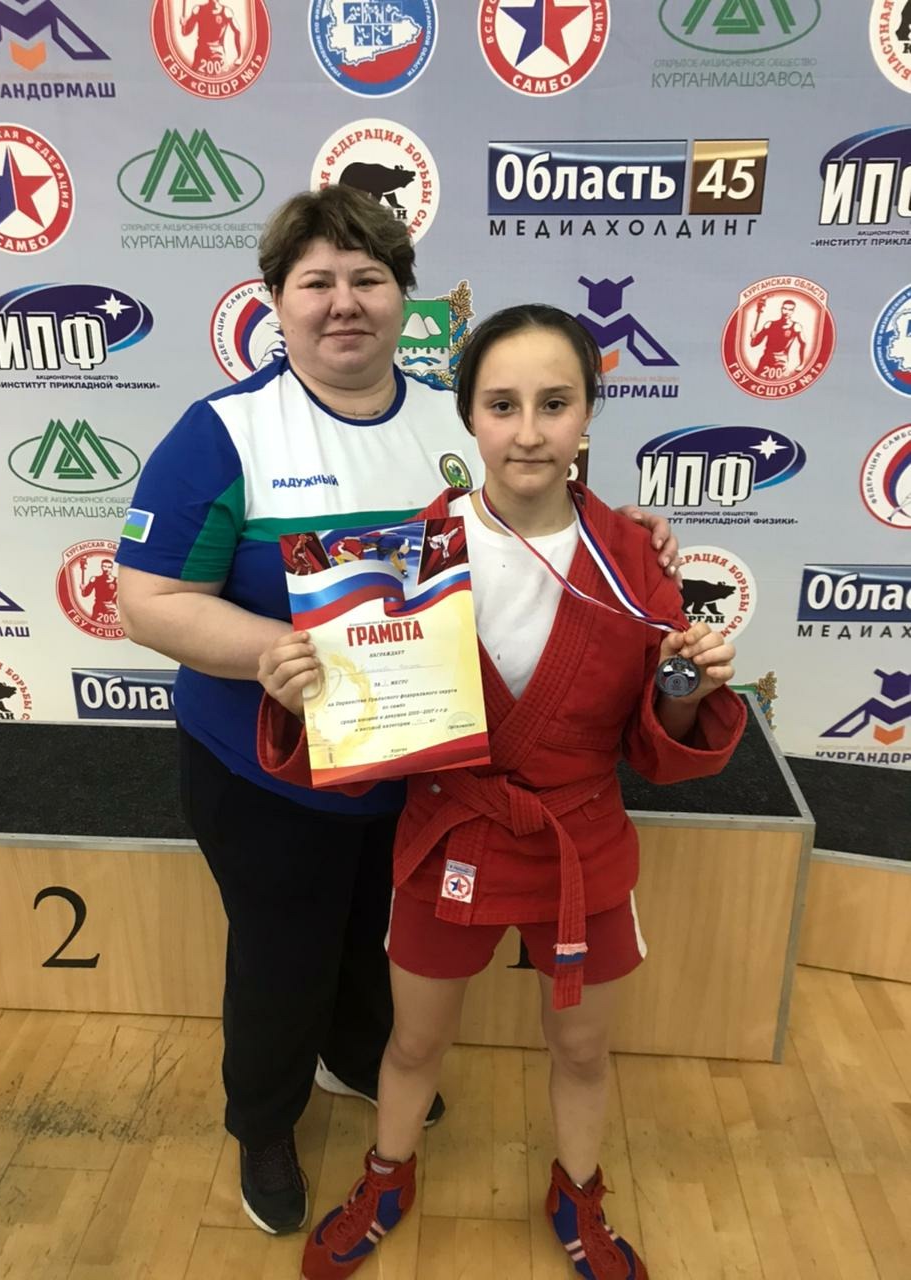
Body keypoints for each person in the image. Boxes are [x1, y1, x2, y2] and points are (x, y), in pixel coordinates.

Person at [115, 188, 682, 1241]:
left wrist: (632, 534)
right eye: (317, 281)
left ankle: (358, 1061)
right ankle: (266, 1123)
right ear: (275, 299)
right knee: (282, 953)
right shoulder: (224, 431)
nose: (344, 302)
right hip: (268, 768)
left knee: (378, 947)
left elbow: (538, 525)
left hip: (423, 769)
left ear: (402, 298)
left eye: (368, 279)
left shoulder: (453, 423)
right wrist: (269, 651)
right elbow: (144, 599)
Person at [257, 304, 746, 1280]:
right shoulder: (400, 556)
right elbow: (367, 728)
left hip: (579, 840)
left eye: (554, 404)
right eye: (502, 404)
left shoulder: (631, 557)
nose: (528, 431)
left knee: (582, 1049)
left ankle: (578, 1190)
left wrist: (687, 688)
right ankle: (386, 1175)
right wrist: (299, 694)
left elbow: (656, 741)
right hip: (456, 833)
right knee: (412, 1043)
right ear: (469, 416)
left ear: (587, 414)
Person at [749, 298, 806, 379]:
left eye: (790, 310)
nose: (786, 312)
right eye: (784, 308)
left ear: (793, 311)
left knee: (776, 382)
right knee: (755, 380)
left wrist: (802, 364)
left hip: (781, 361)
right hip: (765, 359)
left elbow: (803, 344)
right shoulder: (769, 324)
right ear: (781, 309)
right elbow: (754, 344)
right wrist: (754, 336)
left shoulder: (796, 327)